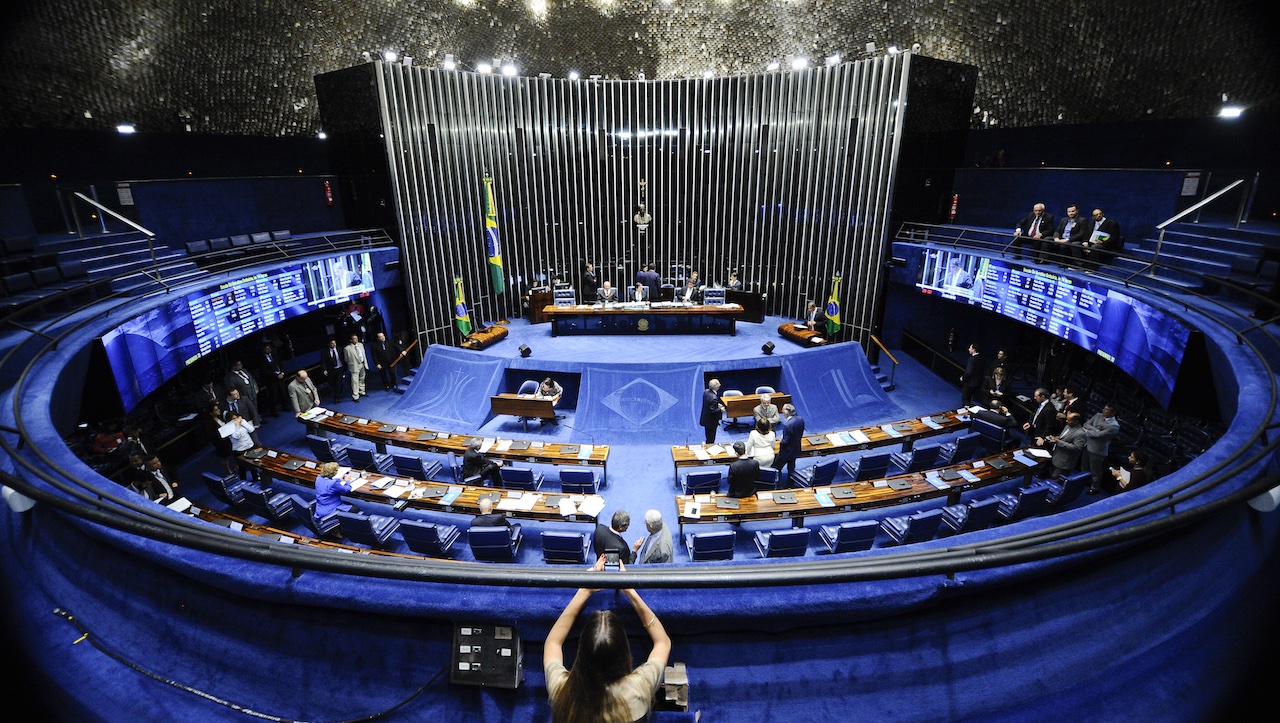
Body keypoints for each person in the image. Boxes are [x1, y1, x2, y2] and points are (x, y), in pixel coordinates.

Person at [543, 556, 670, 723]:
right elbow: (663, 642)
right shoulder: (638, 689)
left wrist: (584, 591)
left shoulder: (563, 691)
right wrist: (630, 592)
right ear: (624, 652)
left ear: (581, 653)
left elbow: (553, 642)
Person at [1082, 404, 1121, 494]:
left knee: (1095, 470)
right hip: (1087, 445)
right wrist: (1095, 430)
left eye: (1107, 409)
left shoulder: (1114, 426)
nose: (1103, 410)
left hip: (1097, 450)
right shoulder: (1098, 415)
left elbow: (1099, 435)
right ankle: (1082, 483)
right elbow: (1086, 424)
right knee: (1084, 467)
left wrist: (1088, 431)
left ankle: (1094, 488)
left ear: (1113, 413)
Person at [1047, 412, 1087, 479]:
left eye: (1069, 420)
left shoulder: (1080, 433)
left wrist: (1058, 442)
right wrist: (1055, 438)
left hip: (1065, 462)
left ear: (1076, 421)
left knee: (1056, 481)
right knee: (1051, 475)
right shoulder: (1067, 426)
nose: (1066, 421)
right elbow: (1062, 437)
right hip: (1057, 456)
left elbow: (1077, 448)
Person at [775, 403, 805, 486]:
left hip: (786, 452)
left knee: (776, 468)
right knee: (791, 469)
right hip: (796, 449)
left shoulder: (788, 425)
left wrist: (780, 446)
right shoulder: (800, 419)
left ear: (786, 413)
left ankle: (779, 486)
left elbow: (785, 442)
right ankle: (790, 485)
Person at [201, 404, 235, 476]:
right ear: (211, 413)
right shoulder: (208, 423)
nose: (219, 410)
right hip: (220, 442)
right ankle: (228, 472)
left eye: (218, 409)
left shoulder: (220, 417)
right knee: (224, 457)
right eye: (216, 410)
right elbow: (212, 435)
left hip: (228, 439)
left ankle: (238, 466)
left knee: (235, 452)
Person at [225, 413, 258, 480]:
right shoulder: (228, 428)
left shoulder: (242, 421)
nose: (236, 420)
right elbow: (236, 436)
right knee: (242, 467)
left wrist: (242, 423)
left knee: (252, 463)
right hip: (239, 449)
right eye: (233, 419)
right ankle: (243, 481)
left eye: (236, 418)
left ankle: (255, 477)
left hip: (249, 445)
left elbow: (251, 429)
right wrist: (237, 426)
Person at [258, 343, 286, 417]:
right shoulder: (261, 359)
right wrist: (276, 376)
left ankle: (285, 406)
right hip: (271, 380)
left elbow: (280, 364)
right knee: (273, 396)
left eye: (269, 348)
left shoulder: (274, 355)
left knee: (282, 392)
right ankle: (274, 411)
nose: (269, 350)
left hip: (280, 377)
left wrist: (282, 373)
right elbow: (265, 370)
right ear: (263, 350)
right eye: (267, 349)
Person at [343, 333, 369, 402]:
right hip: (354, 366)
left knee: (362, 379)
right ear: (351, 340)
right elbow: (346, 359)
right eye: (354, 338)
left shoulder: (360, 345)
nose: (356, 340)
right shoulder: (347, 348)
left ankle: (362, 391)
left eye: (357, 338)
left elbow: (363, 354)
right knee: (355, 381)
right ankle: (355, 396)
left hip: (362, 364)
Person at [699, 379, 726, 444]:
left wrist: (716, 404)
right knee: (711, 439)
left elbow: (709, 404)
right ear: (716, 387)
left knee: (708, 436)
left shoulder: (706, 392)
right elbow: (713, 410)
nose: (720, 385)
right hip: (711, 422)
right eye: (719, 384)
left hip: (706, 419)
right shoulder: (714, 398)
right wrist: (721, 409)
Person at [320, 338, 346, 403]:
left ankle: (336, 397)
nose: (334, 344)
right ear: (329, 344)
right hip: (331, 370)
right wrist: (324, 369)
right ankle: (339, 388)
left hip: (339, 368)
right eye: (332, 343)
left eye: (335, 343)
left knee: (338, 382)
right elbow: (323, 361)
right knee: (332, 382)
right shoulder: (325, 351)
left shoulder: (340, 349)